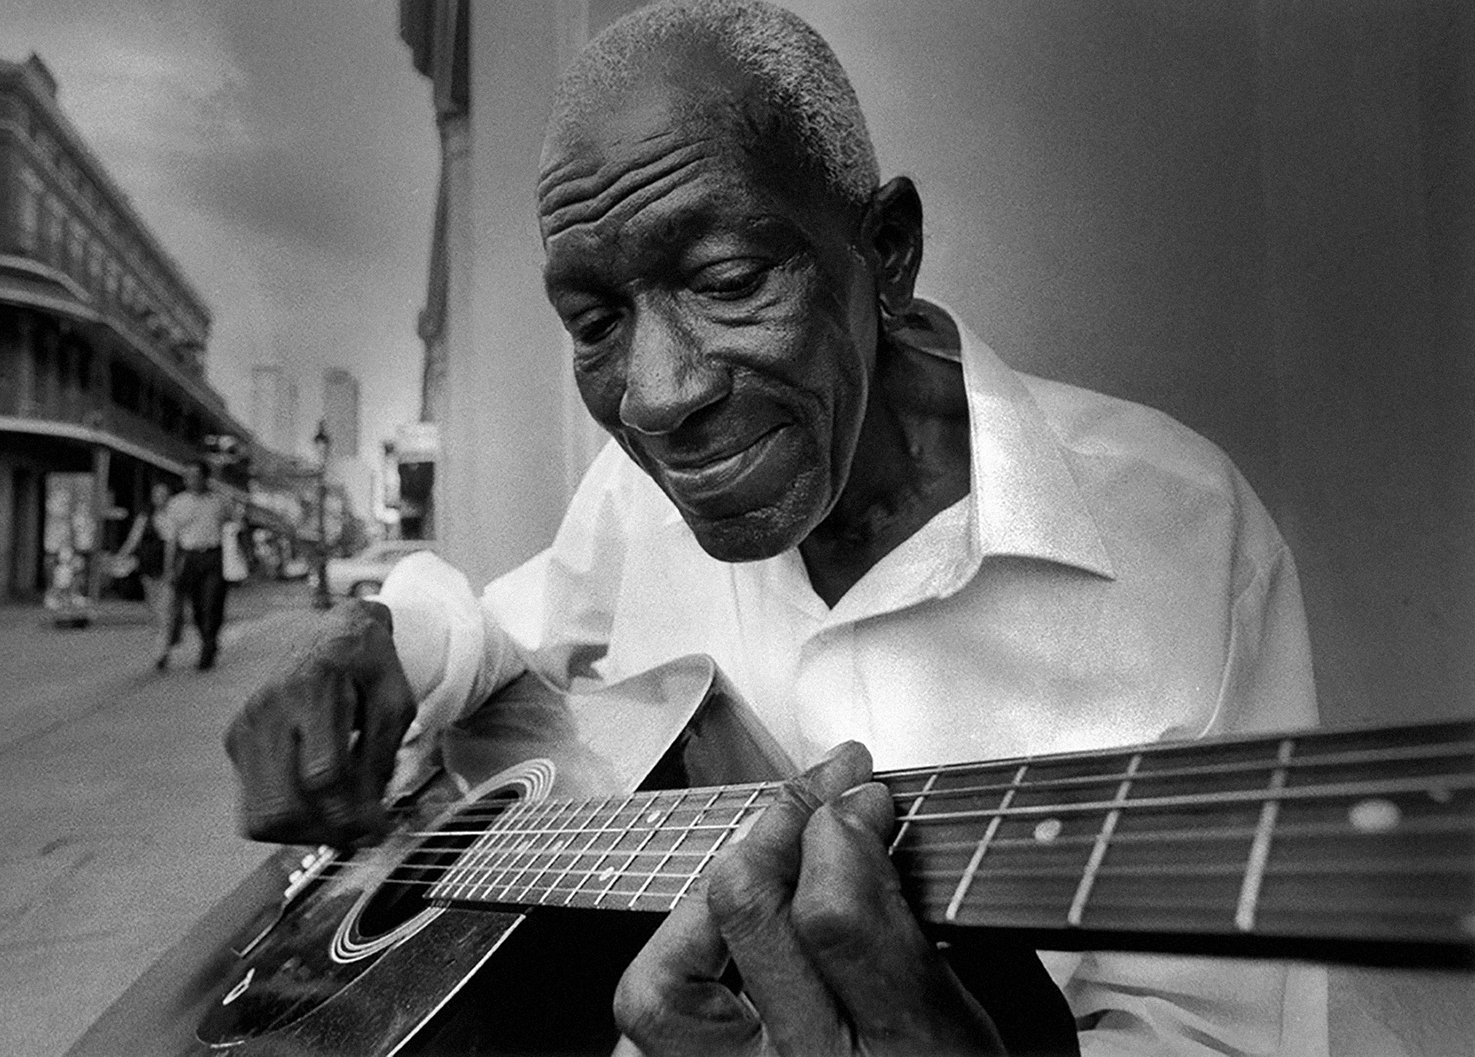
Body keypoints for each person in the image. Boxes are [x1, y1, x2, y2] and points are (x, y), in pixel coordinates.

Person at [224, 2, 1325, 1053]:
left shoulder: (1182, 538)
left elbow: (1230, 1030)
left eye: (728, 277)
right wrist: (383, 639)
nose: (655, 396)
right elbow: (510, 640)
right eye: (597, 321)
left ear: (886, 253)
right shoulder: (631, 497)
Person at [165, 460, 230, 671]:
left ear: (205, 478)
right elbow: (172, 538)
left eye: (196, 476)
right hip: (189, 558)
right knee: (197, 607)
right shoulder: (176, 504)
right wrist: (170, 566)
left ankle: (208, 646)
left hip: (213, 556)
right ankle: (208, 640)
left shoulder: (219, 502)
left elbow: (230, 530)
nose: (191, 480)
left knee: (212, 603)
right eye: (188, 476)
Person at [113, 480, 178, 669]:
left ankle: (161, 650)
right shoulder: (145, 516)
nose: (160, 498)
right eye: (157, 494)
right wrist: (121, 555)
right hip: (147, 568)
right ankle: (163, 640)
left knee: (165, 609)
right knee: (154, 609)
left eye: (163, 494)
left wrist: (169, 569)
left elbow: (171, 547)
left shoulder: (172, 517)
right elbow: (133, 539)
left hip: (166, 570)